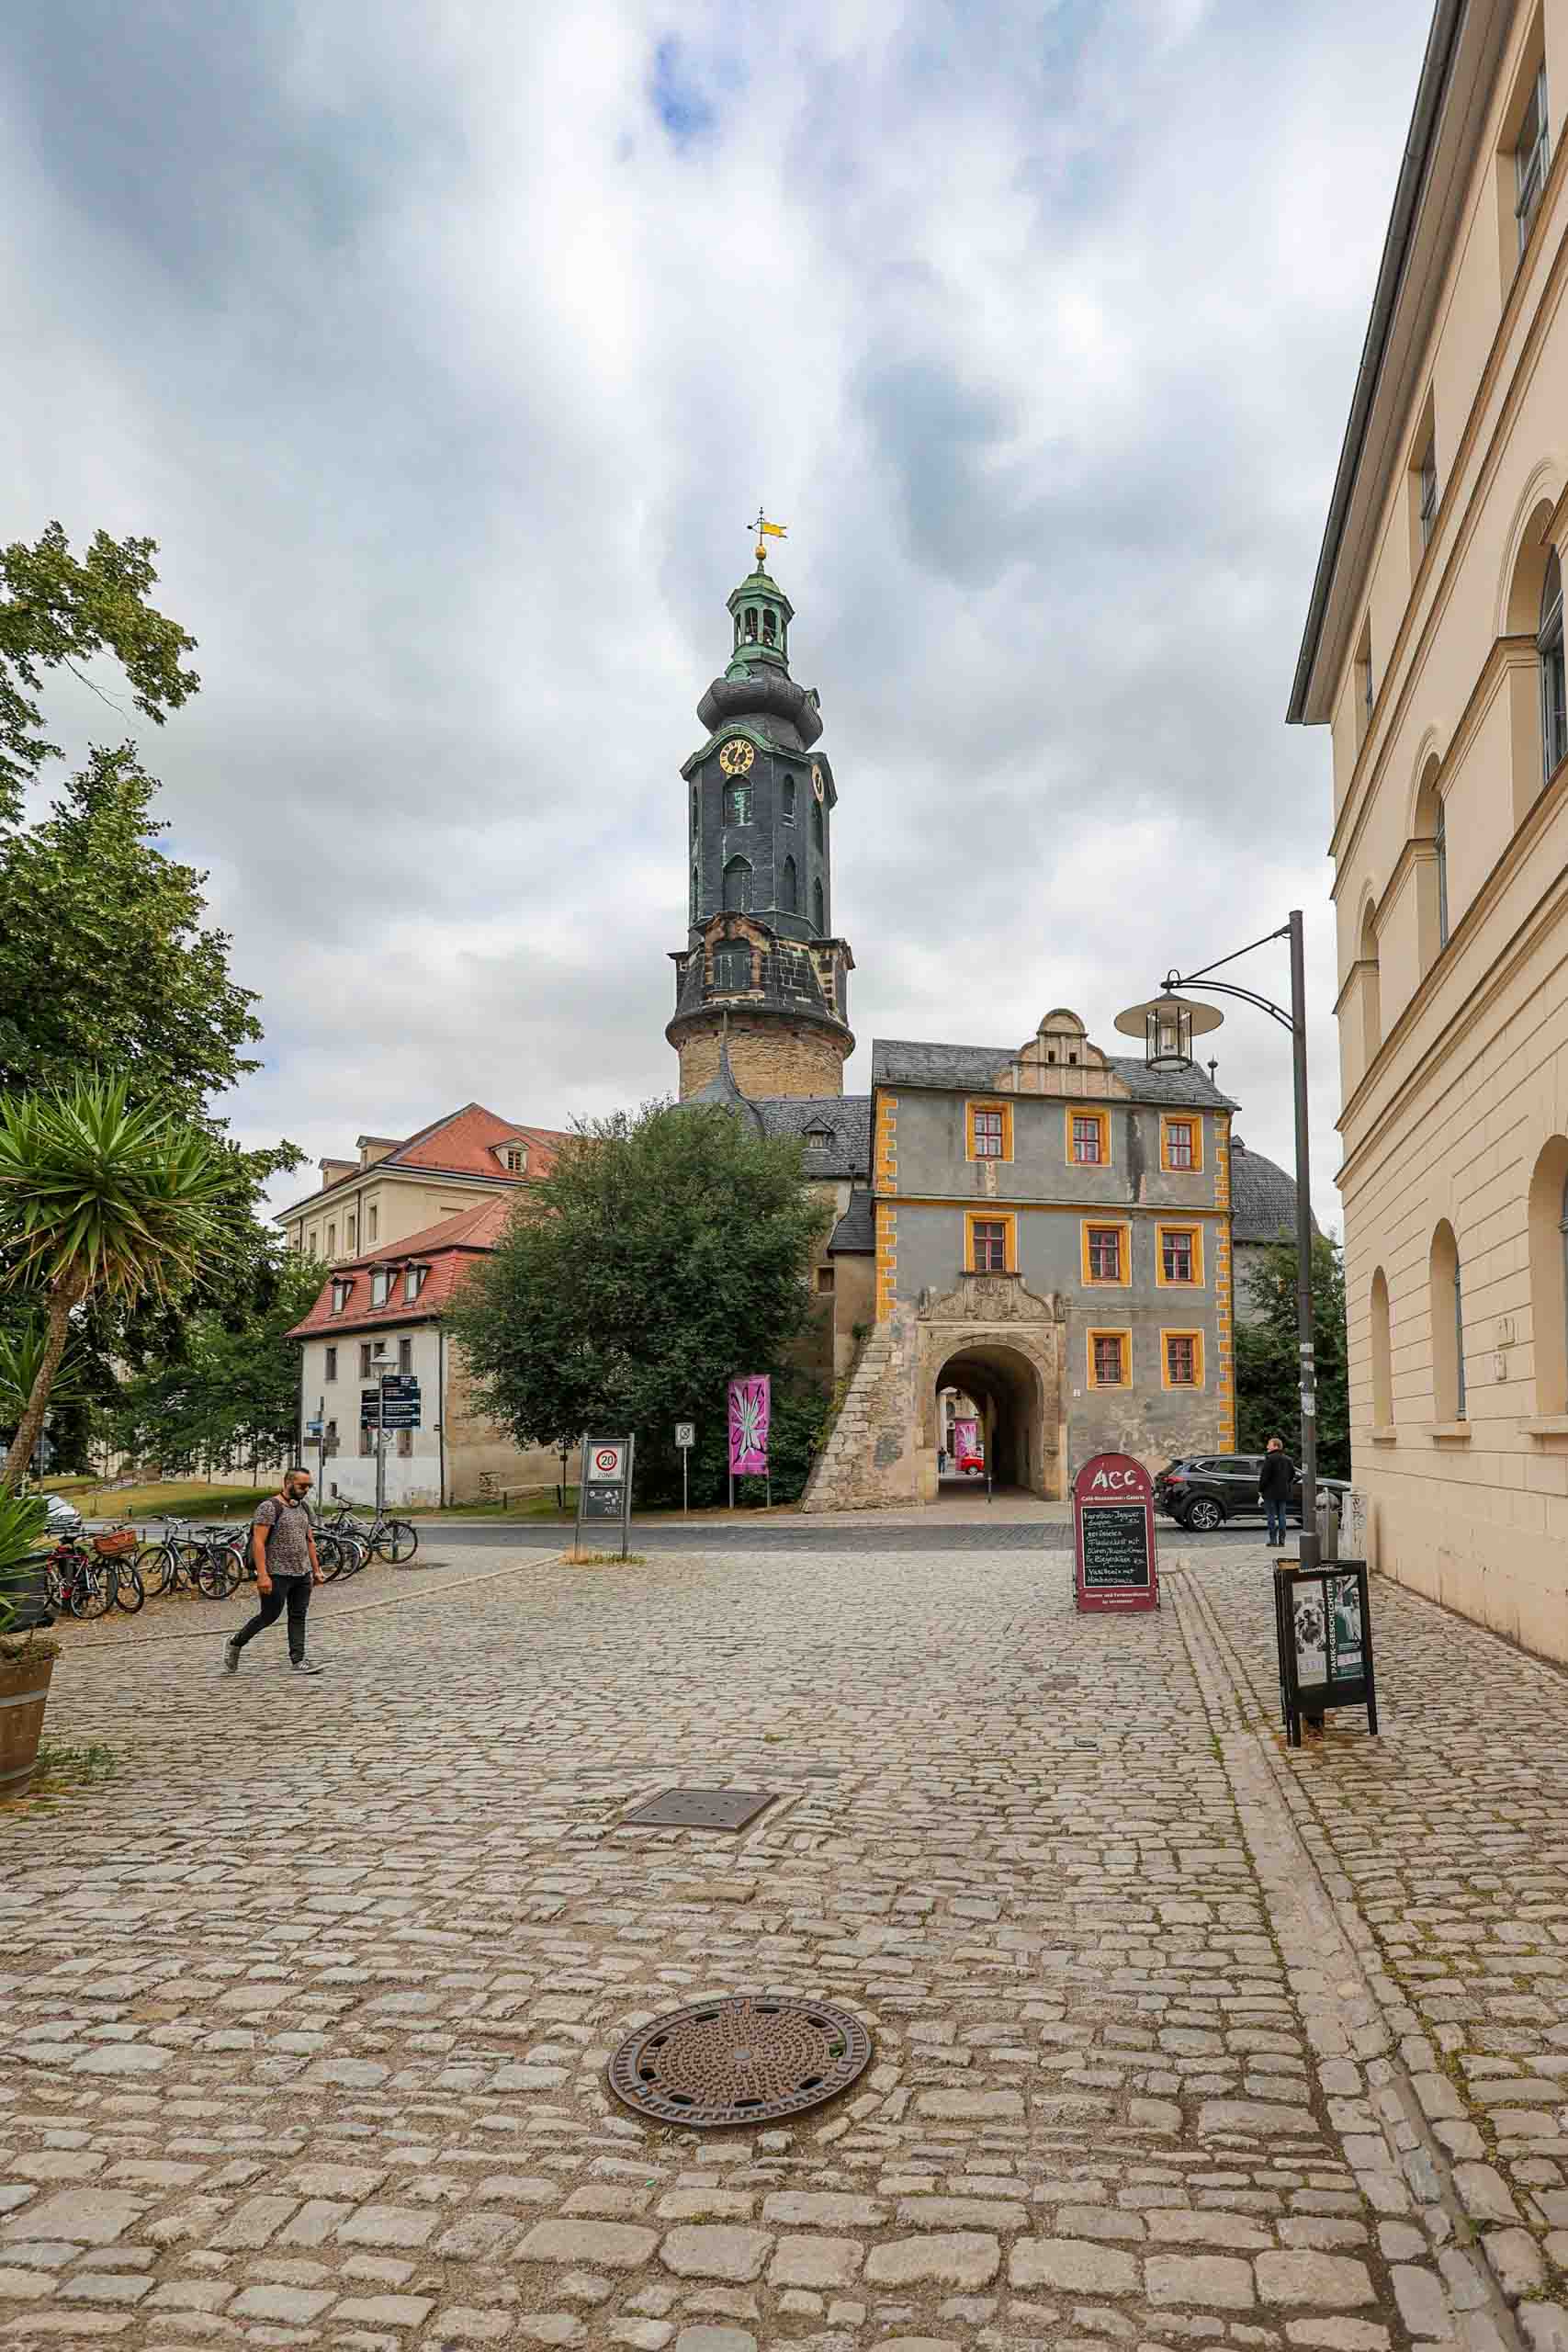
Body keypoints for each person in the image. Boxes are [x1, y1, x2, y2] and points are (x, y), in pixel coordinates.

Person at [223, 1467, 325, 1676]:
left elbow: (309, 1540)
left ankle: (299, 1660)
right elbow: (258, 1543)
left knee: (298, 1615)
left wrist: (316, 1570)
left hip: (302, 1572)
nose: (306, 1490)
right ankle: (235, 1643)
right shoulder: (269, 1507)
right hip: (276, 1573)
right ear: (287, 1483)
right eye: (302, 1485)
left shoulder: (304, 1507)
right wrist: (262, 1575)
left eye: (309, 1486)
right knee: (269, 1616)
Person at [1258, 1436, 1296, 1550]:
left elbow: (1264, 1477)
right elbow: (1292, 1475)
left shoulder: (1269, 1459)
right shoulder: (1288, 1459)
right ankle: (1282, 1541)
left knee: (1271, 1516)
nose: (1267, 1446)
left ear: (1276, 1446)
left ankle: (1273, 1540)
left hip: (1270, 1492)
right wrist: (1286, 1484)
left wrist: (1261, 1489)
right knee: (1282, 1516)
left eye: (1269, 1444)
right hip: (1283, 1492)